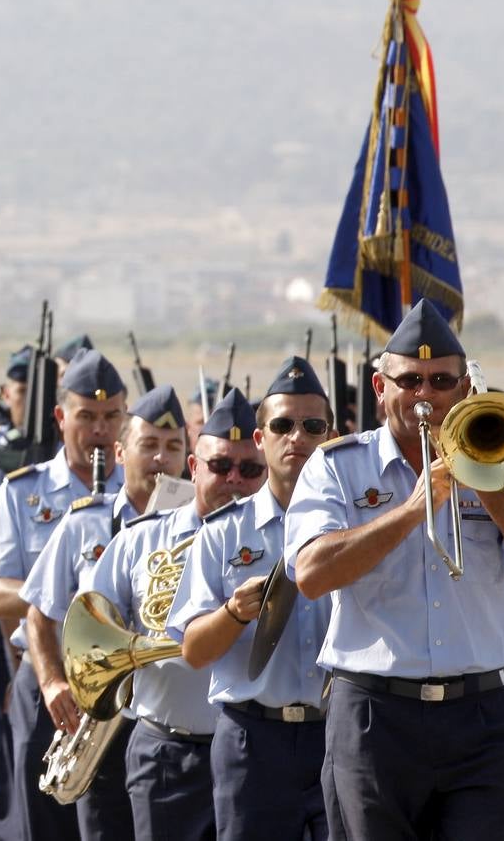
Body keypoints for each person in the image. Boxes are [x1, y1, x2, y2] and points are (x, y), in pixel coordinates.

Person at [286, 300, 504, 841]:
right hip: (375, 717)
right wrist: (413, 509)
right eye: (409, 380)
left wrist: (490, 487)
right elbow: (312, 573)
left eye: (441, 381)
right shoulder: (337, 466)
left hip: (481, 715)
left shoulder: (500, 457)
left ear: (464, 389)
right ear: (379, 388)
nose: (425, 396)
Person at [166, 357, 334, 841]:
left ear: (330, 433)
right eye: (282, 424)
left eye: (312, 425)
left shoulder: (353, 523)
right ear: (260, 439)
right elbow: (194, 650)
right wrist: (233, 613)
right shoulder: (223, 532)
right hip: (254, 739)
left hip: (338, 732)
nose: (297, 437)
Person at [88, 388, 265, 841]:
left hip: (259, 751)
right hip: (170, 752)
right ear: (193, 468)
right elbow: (92, 633)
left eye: (249, 469)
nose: (234, 480)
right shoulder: (139, 539)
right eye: (220, 466)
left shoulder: (284, 538)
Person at [19, 383, 188, 840]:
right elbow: (40, 613)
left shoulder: (204, 527)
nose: (161, 458)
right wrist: (53, 680)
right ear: (120, 451)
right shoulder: (84, 522)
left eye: (173, 447)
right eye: (149, 445)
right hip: (103, 720)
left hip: (173, 717)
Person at [0, 347, 127, 840]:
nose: (99, 430)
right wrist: (71, 595)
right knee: (46, 819)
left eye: (111, 416)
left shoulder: (147, 491)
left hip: (123, 683)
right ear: (61, 417)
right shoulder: (23, 492)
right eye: (86, 416)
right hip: (48, 680)